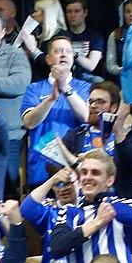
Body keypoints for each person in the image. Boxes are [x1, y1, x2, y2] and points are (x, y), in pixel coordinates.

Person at [18, 35, 92, 188]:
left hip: (76, 167)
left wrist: (65, 88)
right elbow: (29, 122)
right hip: (41, 168)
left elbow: (86, 116)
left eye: (68, 51)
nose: (64, 54)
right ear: (48, 59)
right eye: (58, 51)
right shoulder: (34, 88)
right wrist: (51, 99)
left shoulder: (85, 87)